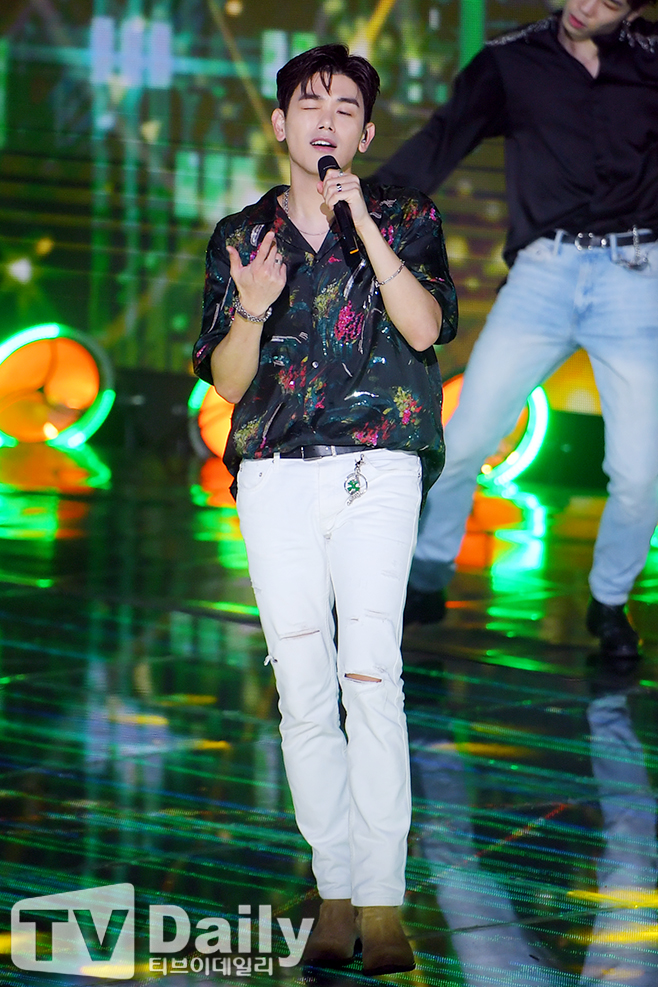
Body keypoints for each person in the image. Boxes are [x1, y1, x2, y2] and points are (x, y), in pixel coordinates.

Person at [193, 45, 457, 975]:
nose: (326, 120)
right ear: (280, 124)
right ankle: (335, 888)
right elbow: (229, 383)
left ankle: (383, 899)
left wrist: (365, 227)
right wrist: (251, 310)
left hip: (379, 466)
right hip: (276, 473)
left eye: (346, 108)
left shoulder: (406, 217)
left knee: (371, 676)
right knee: (303, 691)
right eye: (310, 104)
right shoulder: (243, 237)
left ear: (366, 133)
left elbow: (424, 327)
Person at [372, 0, 658, 662]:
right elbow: (442, 140)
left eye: (609, 1)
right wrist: (366, 205)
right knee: (464, 439)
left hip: (635, 274)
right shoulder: (512, 60)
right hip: (542, 274)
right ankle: (428, 574)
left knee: (641, 471)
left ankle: (610, 603)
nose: (585, 5)